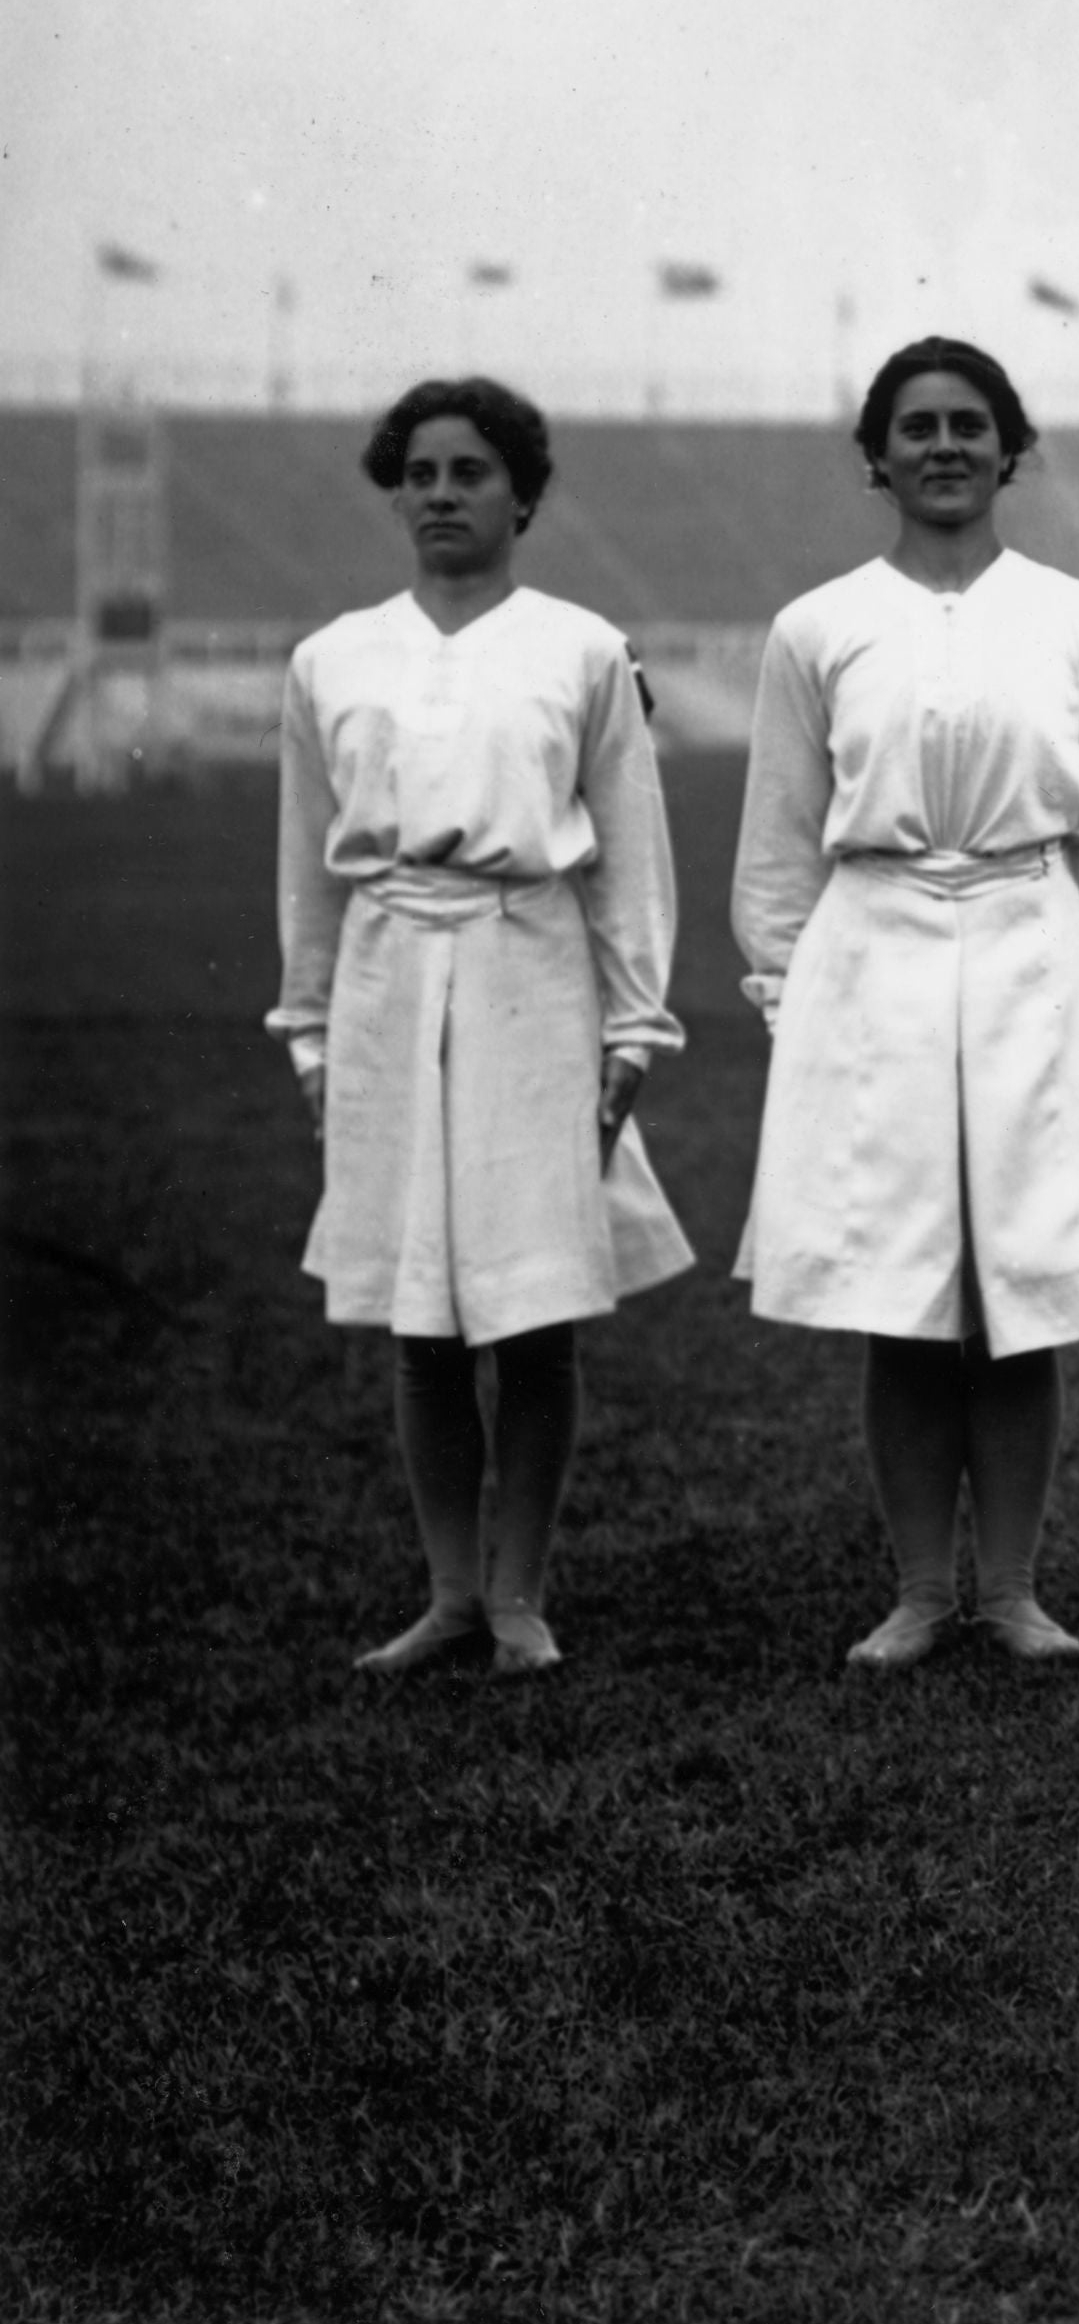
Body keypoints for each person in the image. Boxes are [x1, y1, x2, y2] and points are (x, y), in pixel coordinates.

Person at [732, 338, 1079, 1667]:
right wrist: (790, 999)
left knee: (1024, 1282)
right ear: (878, 455)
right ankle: (925, 1589)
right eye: (916, 426)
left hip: (1034, 950)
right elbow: (778, 844)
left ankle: (1017, 1586)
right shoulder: (818, 627)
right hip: (873, 964)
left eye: (969, 425)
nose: (943, 445)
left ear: (1008, 449)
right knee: (906, 1291)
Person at [269, 376, 694, 1674]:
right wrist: (309, 1026)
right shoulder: (333, 656)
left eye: (471, 471)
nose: (442, 494)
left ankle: (519, 1594)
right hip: (389, 986)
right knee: (421, 1315)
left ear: (522, 493)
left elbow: (630, 857)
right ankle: (450, 1592)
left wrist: (633, 1031)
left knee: (532, 1308)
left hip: (533, 981)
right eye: (421, 473)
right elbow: (305, 862)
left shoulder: (579, 648)